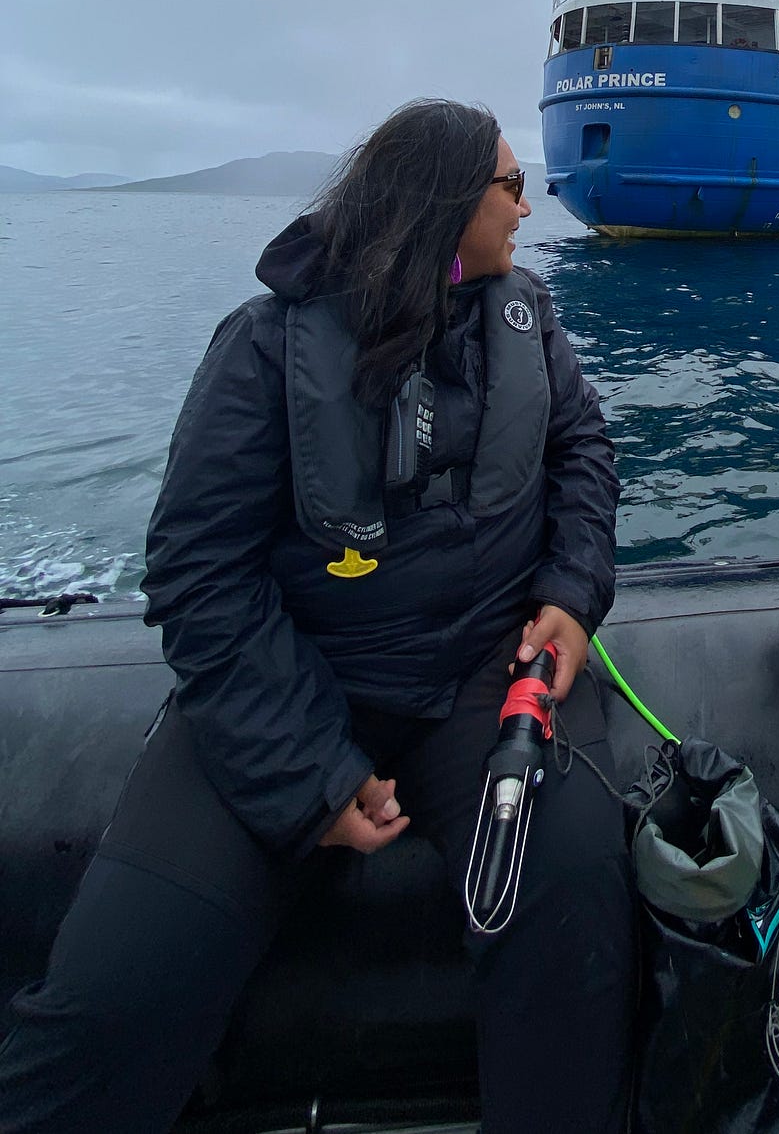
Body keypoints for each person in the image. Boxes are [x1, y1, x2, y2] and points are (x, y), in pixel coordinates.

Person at [0, 100, 634, 1134]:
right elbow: (199, 568)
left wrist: (571, 593)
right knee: (115, 998)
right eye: (510, 187)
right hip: (301, 678)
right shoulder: (264, 348)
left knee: (572, 932)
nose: (529, 206)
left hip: (485, 673)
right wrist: (307, 774)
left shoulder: (529, 323)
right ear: (444, 203)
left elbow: (583, 458)